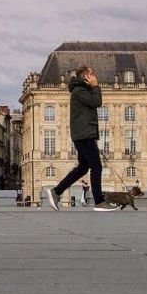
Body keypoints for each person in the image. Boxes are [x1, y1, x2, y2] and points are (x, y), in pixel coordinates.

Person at [47, 66, 118, 211]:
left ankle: (57, 191)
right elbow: (97, 102)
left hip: (83, 133)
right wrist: (95, 86)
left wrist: (92, 87)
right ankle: (99, 201)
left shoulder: (81, 90)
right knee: (96, 166)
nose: (94, 77)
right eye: (92, 74)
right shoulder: (79, 91)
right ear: (86, 77)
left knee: (83, 167)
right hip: (84, 134)